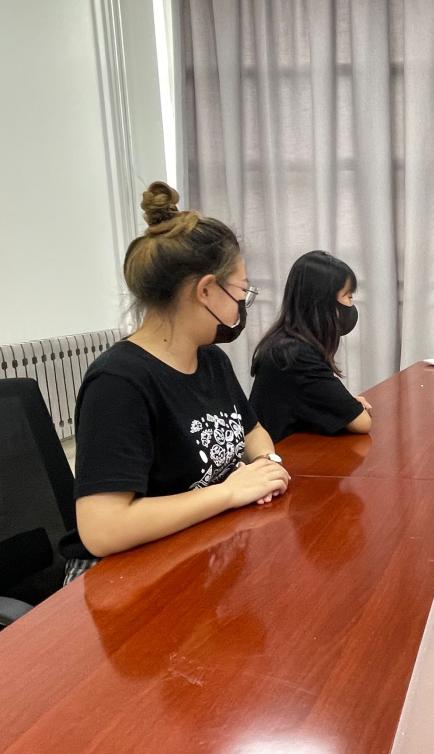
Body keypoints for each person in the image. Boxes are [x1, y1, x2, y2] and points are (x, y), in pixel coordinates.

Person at [61, 182, 291, 582]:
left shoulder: (211, 361)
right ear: (206, 290)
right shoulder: (119, 383)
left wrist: (266, 467)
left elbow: (252, 431)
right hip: (121, 578)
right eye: (241, 290)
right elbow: (102, 529)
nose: (242, 304)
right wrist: (230, 492)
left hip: (196, 551)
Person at [249, 250, 371, 441]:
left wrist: (347, 404)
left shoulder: (286, 344)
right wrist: (351, 408)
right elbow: (362, 423)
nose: (351, 304)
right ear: (325, 304)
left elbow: (315, 399)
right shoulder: (297, 356)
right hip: (281, 453)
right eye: (348, 296)